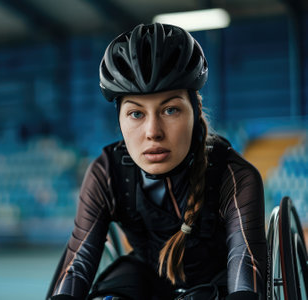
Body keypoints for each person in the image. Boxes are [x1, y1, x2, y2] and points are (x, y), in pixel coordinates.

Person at [47, 23, 266, 300]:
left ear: (195, 110)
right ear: (119, 119)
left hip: (217, 281)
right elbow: (77, 263)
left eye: (170, 110)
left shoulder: (234, 175)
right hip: (141, 277)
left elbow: (246, 264)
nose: (153, 132)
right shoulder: (106, 173)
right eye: (136, 114)